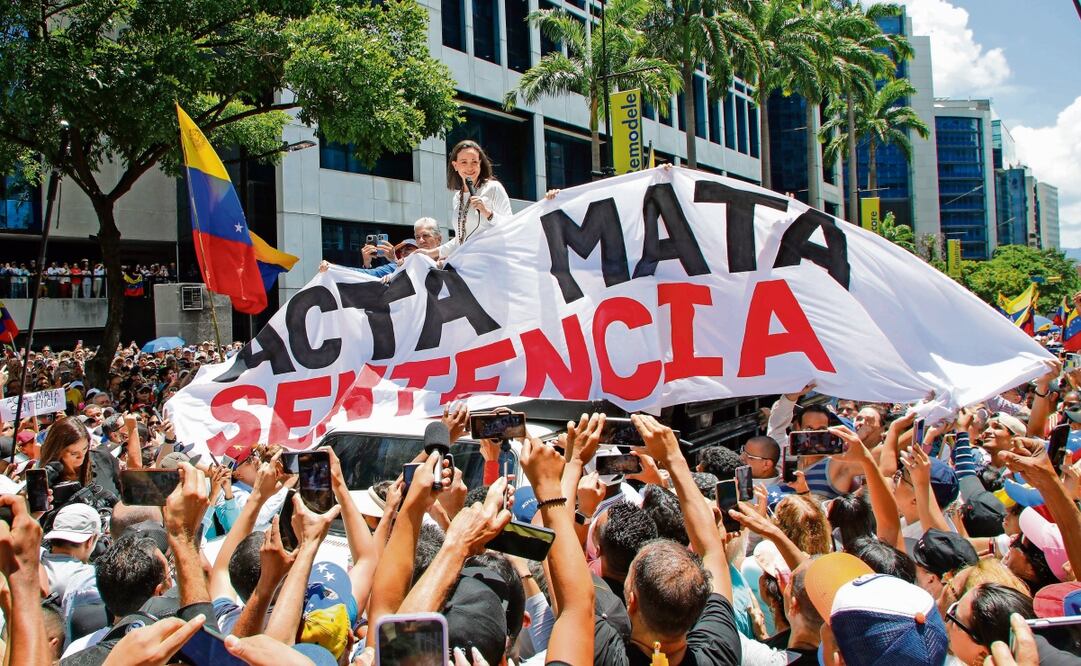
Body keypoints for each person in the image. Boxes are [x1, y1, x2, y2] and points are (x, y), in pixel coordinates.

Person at [435, 140, 512, 260]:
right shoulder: (457, 197)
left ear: (480, 164)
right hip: (467, 265)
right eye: (464, 162)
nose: (469, 167)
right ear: (455, 165)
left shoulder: (493, 188)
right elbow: (460, 239)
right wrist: (432, 253)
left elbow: (510, 226)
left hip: (491, 262)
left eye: (474, 162)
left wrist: (487, 213)